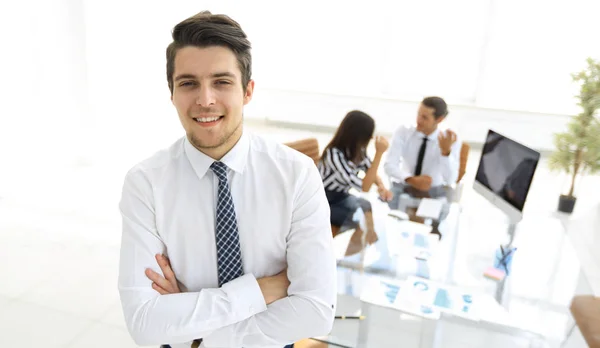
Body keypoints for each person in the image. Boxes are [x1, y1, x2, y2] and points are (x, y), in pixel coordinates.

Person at [117, 11, 336, 348]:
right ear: (172, 93)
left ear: (247, 91)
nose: (205, 100)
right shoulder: (146, 183)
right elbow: (145, 324)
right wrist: (262, 289)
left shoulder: (297, 174)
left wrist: (198, 331)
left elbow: (316, 311)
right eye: (188, 83)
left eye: (222, 82)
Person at [318, 110, 393, 252]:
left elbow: (371, 171)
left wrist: (381, 186)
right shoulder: (333, 154)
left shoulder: (358, 151)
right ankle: (345, 257)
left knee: (365, 206)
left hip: (341, 196)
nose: (371, 137)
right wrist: (379, 153)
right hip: (323, 199)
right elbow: (364, 187)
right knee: (359, 219)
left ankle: (361, 248)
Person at [384, 96, 461, 208]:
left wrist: (445, 153)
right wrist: (411, 179)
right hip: (405, 185)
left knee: (438, 215)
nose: (418, 120)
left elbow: (450, 180)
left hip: (434, 191)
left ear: (439, 119)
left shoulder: (450, 139)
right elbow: (389, 165)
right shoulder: (403, 131)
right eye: (418, 114)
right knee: (386, 205)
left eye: (425, 117)